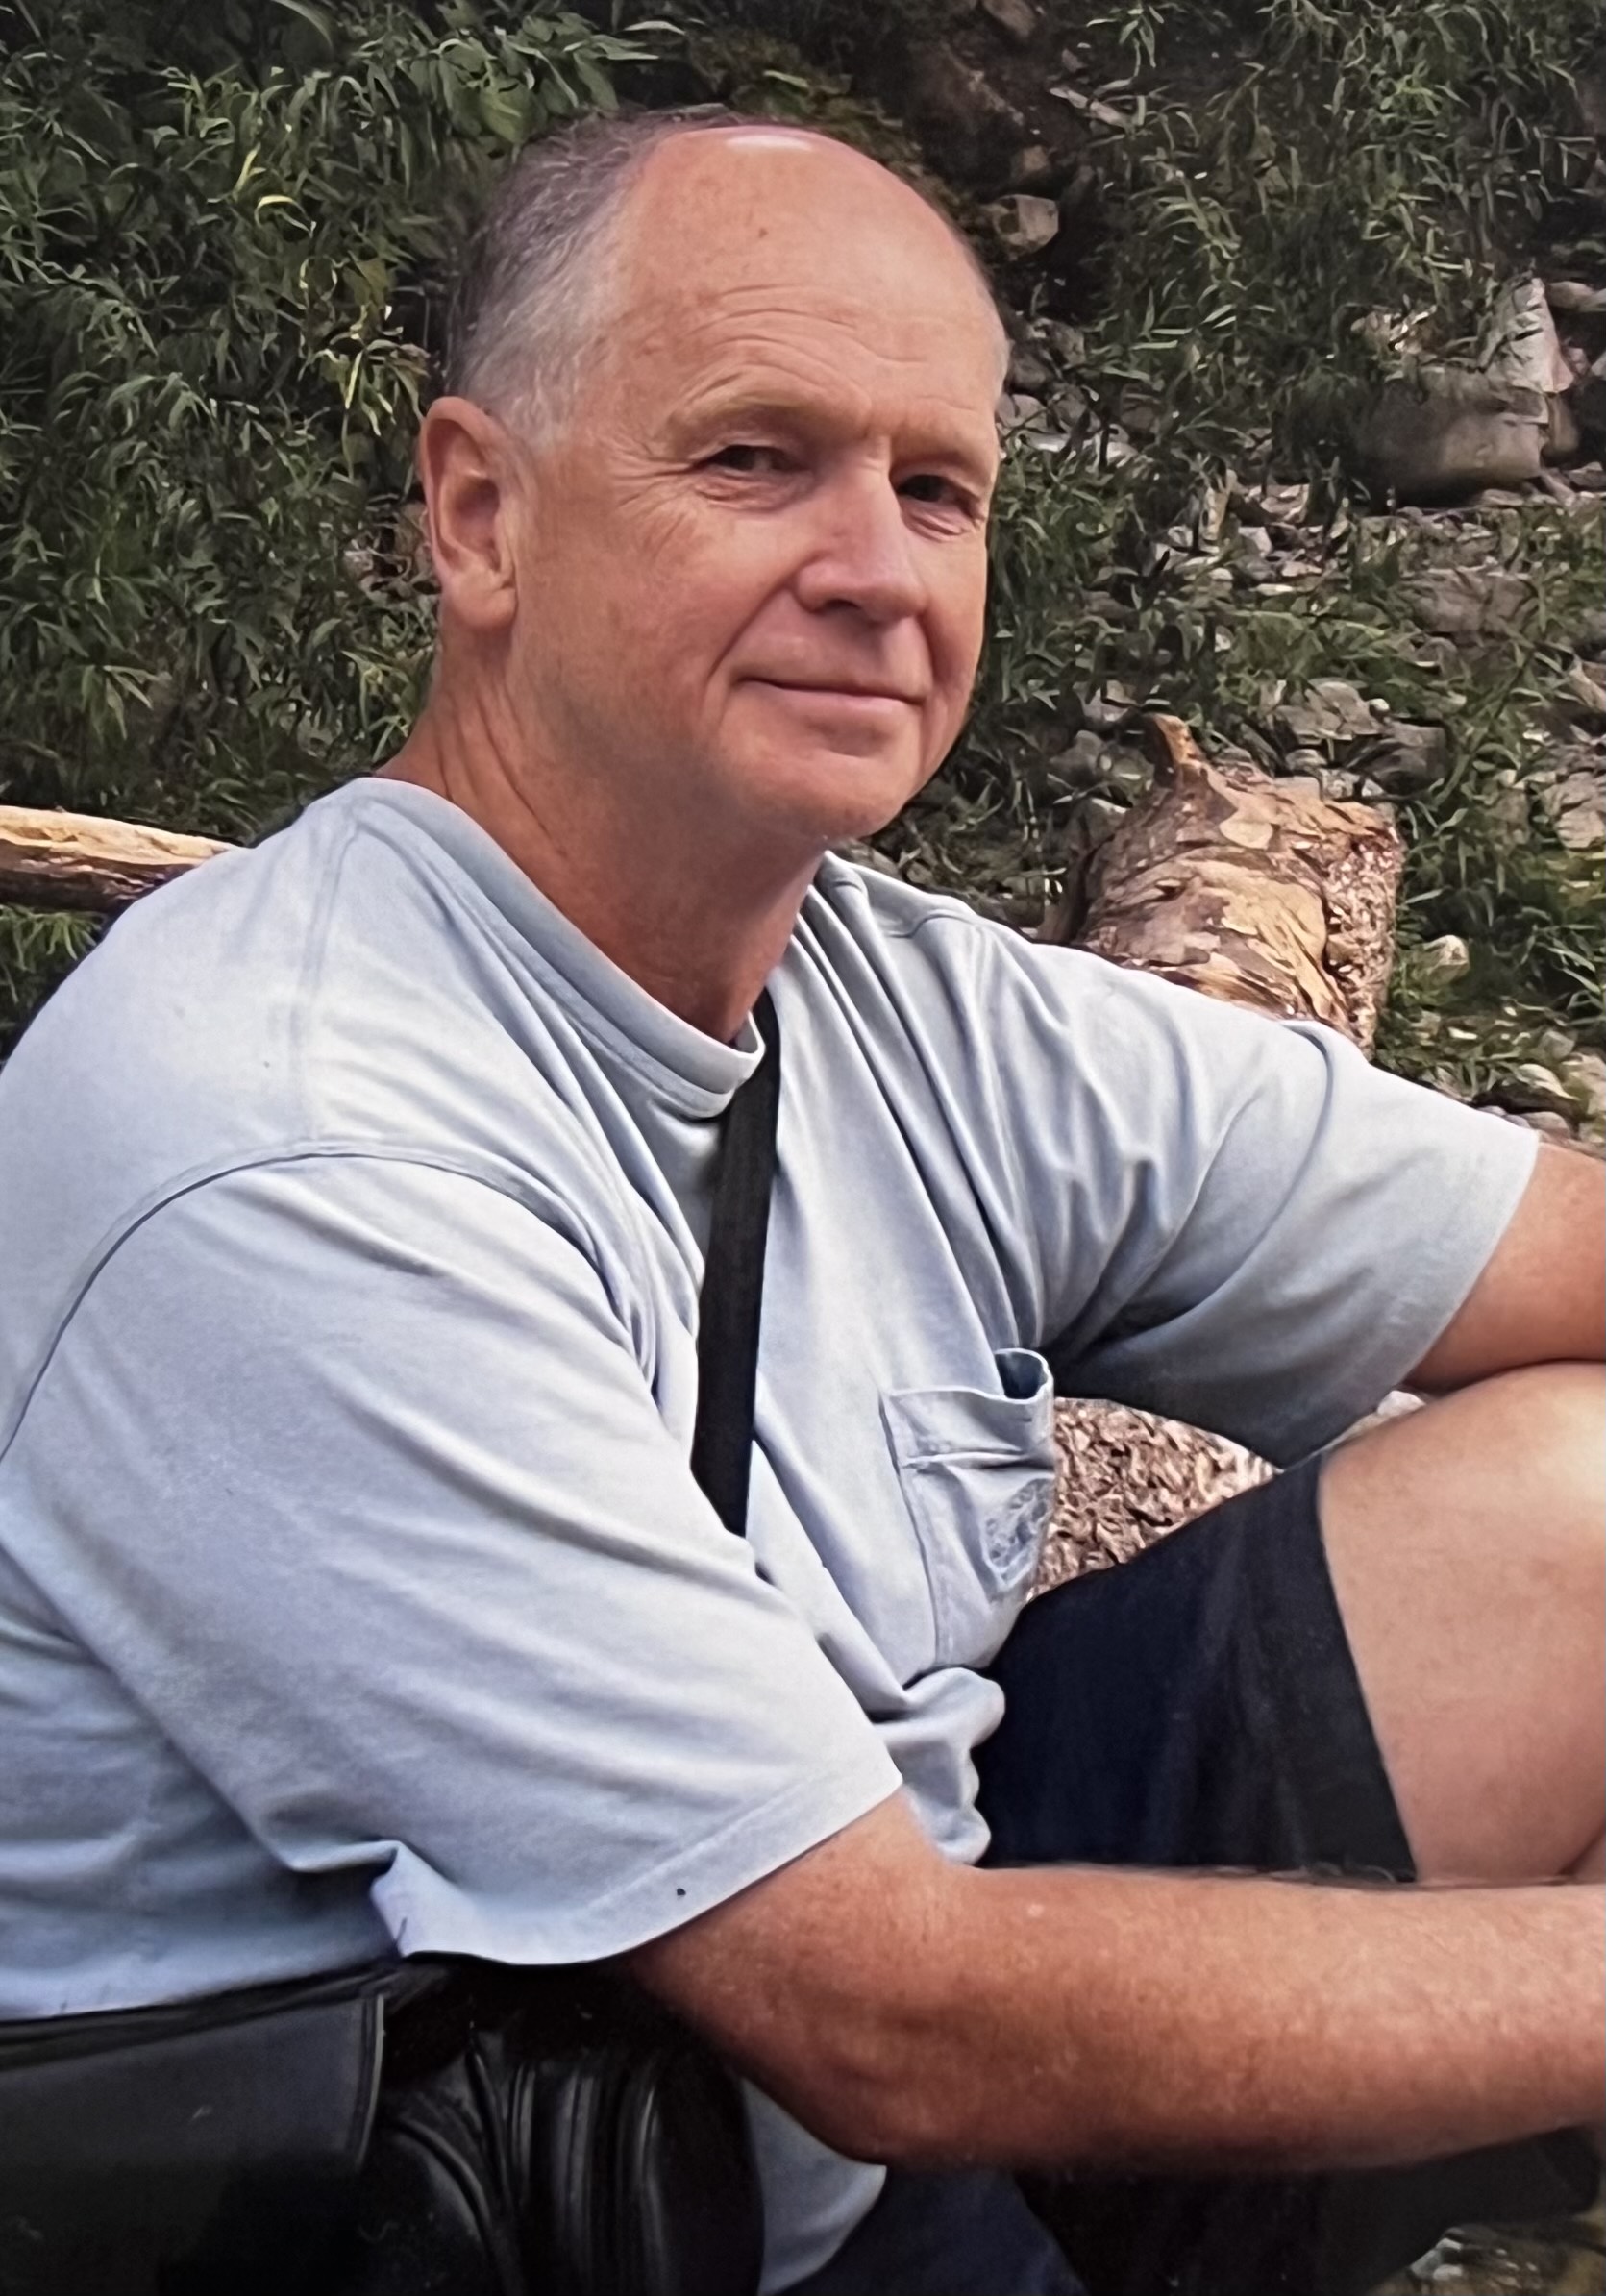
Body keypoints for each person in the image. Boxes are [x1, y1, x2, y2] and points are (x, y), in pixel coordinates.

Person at [0, 109, 1600, 2296]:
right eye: (757, 459)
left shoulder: (892, 996)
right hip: (509, 2195)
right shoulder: (289, 1138)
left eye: (935, 488)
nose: (875, 568)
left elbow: (1562, 1250)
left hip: (816, 2063)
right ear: (479, 514)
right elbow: (885, 2017)